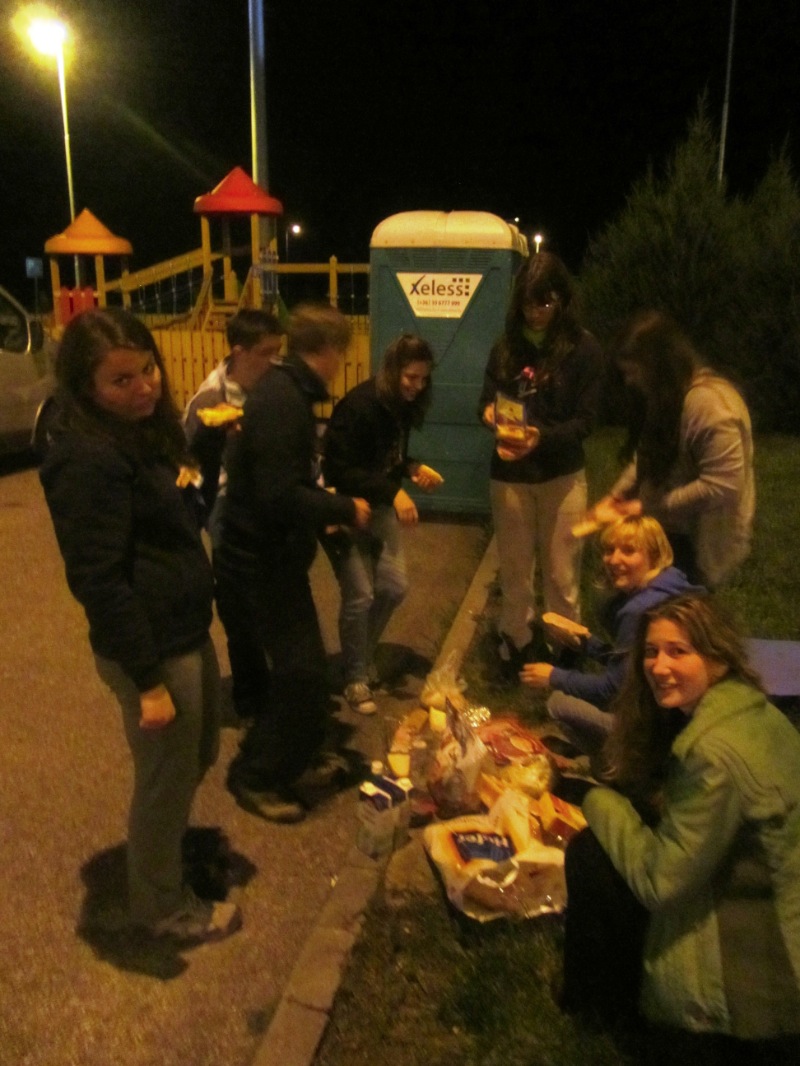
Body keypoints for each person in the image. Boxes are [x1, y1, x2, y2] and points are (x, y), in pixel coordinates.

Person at [39, 307, 241, 946]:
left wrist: (207, 450)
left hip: (183, 629)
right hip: (150, 647)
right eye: (121, 380)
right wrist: (148, 682)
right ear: (87, 387)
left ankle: (166, 852)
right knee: (165, 778)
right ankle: (159, 905)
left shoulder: (144, 433)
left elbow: (184, 512)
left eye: (148, 369)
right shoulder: (87, 458)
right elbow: (98, 580)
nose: (144, 386)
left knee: (198, 752)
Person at [562, 594, 800, 1060]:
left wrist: (593, 797)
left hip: (763, 972)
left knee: (592, 854)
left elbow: (662, 883)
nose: (659, 666)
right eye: (651, 652)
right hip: (763, 894)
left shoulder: (713, 753)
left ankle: (600, 1008)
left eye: (678, 651)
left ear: (717, 657)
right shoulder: (748, 709)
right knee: (616, 838)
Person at [217, 303, 371, 824]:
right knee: (302, 675)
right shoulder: (284, 401)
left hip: (272, 557)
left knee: (302, 674)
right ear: (327, 349)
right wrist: (343, 508)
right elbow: (279, 494)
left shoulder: (285, 392)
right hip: (260, 562)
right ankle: (256, 776)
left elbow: (282, 483)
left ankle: (295, 755)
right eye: (341, 353)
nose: (340, 364)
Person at [478, 251, 603, 676]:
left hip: (561, 476)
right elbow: (486, 399)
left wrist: (541, 438)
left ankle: (564, 650)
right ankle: (516, 642)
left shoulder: (583, 349)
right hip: (510, 476)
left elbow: (586, 421)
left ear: (562, 300)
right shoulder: (506, 347)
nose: (534, 313)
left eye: (544, 303)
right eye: (527, 304)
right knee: (515, 571)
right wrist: (489, 414)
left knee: (561, 573)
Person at [322, 333, 443, 714]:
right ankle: (356, 677)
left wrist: (411, 468)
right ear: (392, 371)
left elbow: (388, 458)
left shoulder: (401, 405)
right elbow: (338, 469)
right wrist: (393, 492)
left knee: (393, 586)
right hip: (345, 509)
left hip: (379, 506)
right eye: (410, 377)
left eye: (423, 379)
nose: (417, 386)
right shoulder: (360, 406)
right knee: (360, 593)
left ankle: (358, 655)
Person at [589, 310, 755, 588]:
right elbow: (650, 453)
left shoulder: (710, 406)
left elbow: (722, 486)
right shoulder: (668, 395)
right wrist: (618, 495)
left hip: (699, 539)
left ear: (657, 366)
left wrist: (648, 505)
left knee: (678, 606)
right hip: (670, 530)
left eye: (632, 372)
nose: (629, 381)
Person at [520, 515, 703, 755]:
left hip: (663, 729)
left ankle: (617, 766)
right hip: (685, 716)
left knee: (558, 704)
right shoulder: (671, 585)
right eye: (609, 550)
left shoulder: (640, 611)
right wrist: (588, 644)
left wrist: (554, 676)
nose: (614, 560)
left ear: (653, 556)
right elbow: (633, 666)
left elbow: (613, 692)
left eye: (628, 551)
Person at [183, 309, 283, 720]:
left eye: (278, 351)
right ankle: (248, 692)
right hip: (226, 502)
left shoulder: (265, 385)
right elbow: (187, 465)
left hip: (262, 496)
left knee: (270, 595)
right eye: (267, 352)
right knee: (238, 600)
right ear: (239, 352)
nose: (275, 361)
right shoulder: (211, 399)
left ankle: (270, 679)